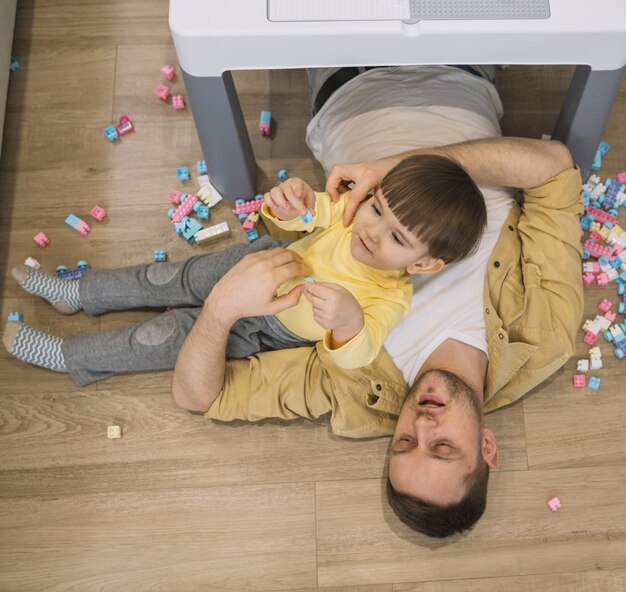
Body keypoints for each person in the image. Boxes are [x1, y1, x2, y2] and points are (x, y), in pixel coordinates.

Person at [171, 66, 584, 538]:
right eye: (443, 447)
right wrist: (397, 169)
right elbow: (553, 166)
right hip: (460, 67)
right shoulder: (544, 333)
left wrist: (221, 306)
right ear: (488, 447)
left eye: (405, 442)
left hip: (346, 79)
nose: (424, 424)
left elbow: (201, 396)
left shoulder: (357, 393)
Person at [3, 154, 485, 381]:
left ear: (423, 264)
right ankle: (80, 293)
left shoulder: (390, 297)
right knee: (162, 277)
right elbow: (301, 213)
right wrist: (286, 202)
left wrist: (349, 322)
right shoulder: (350, 214)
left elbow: (355, 354)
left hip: (265, 326)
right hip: (248, 262)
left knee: (165, 338)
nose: (372, 230)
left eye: (397, 238)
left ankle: (72, 356)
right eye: (377, 207)